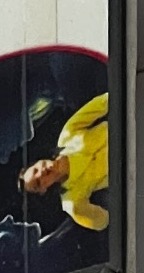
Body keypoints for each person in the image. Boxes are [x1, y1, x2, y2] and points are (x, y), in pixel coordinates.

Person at [19, 91, 110, 231]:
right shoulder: (72, 201)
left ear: (38, 162)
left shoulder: (67, 135)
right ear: (43, 190)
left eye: (36, 170)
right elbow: (102, 221)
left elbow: (100, 104)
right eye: (38, 182)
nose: (41, 173)